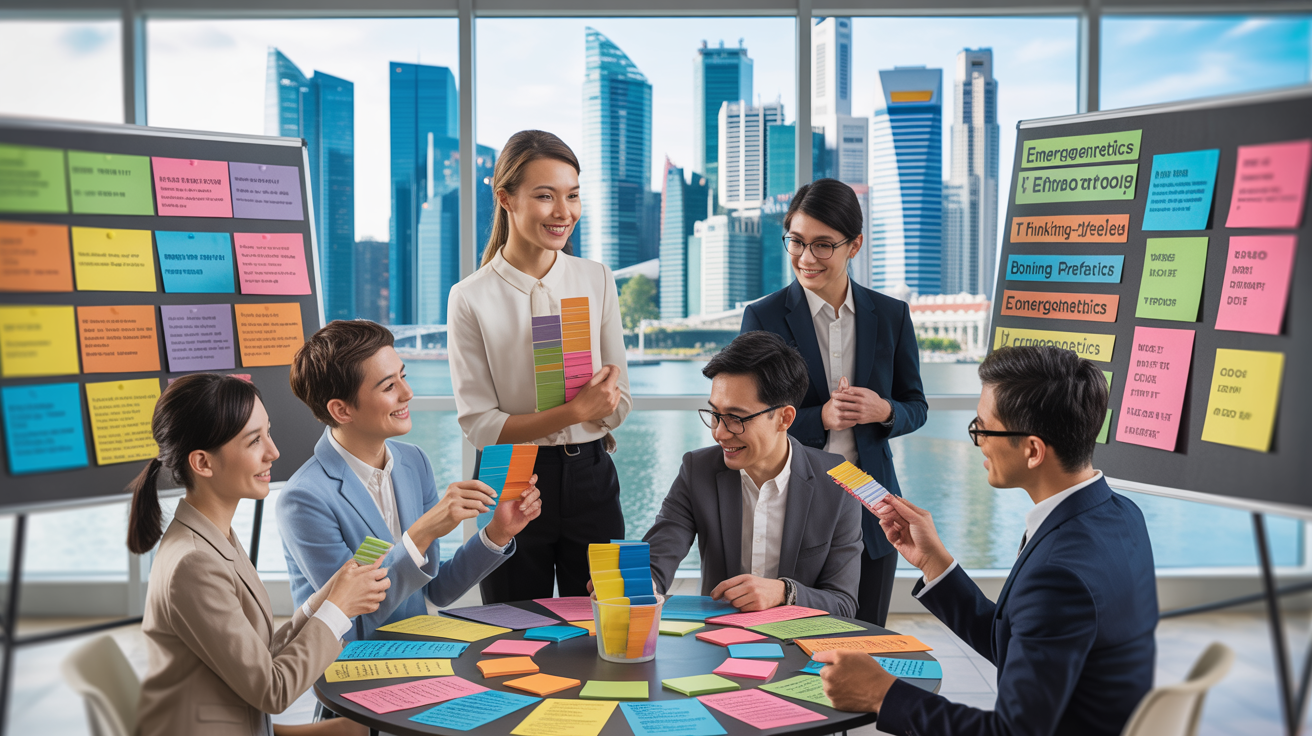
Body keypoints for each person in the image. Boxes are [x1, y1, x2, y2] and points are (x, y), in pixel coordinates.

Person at [816, 345, 1158, 736]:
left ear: (1032, 451)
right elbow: (1024, 644)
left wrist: (884, 694)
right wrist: (935, 564)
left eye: (982, 428)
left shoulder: (1057, 575)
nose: (977, 440)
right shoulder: (1120, 514)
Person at [130, 374, 388, 736]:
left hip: (244, 723)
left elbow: (257, 653)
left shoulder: (212, 536)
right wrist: (339, 609)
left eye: (269, 432)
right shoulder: (194, 563)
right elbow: (273, 689)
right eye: (254, 441)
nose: (274, 452)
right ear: (203, 463)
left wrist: (328, 597)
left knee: (362, 728)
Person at [448, 130, 631, 604]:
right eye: (545, 196)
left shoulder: (597, 279)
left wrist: (605, 407)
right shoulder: (470, 296)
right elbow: (480, 426)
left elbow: (620, 401)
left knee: (601, 624)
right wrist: (575, 412)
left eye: (572, 196)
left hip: (593, 474)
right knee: (509, 631)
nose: (563, 212)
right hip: (510, 479)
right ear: (505, 197)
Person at [278, 320, 542, 641]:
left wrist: (497, 533)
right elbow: (353, 618)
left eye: (404, 376)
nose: (408, 393)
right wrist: (424, 530)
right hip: (349, 665)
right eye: (389, 386)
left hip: (418, 652)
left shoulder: (414, 461)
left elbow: (437, 590)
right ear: (341, 410)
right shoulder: (304, 498)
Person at [741, 178, 927, 627]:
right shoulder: (763, 317)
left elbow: (915, 405)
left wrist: (884, 411)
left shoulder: (892, 315)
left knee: (867, 640)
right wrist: (818, 418)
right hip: (794, 500)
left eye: (823, 245)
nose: (806, 258)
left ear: (854, 245)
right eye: (797, 242)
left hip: (872, 506)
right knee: (789, 641)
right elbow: (749, 418)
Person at [642, 331, 862, 616]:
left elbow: (843, 605)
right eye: (715, 414)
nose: (719, 433)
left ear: (784, 418)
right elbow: (658, 557)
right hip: (718, 642)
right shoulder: (697, 470)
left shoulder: (841, 481)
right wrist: (641, 585)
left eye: (736, 418)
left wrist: (785, 593)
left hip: (800, 644)